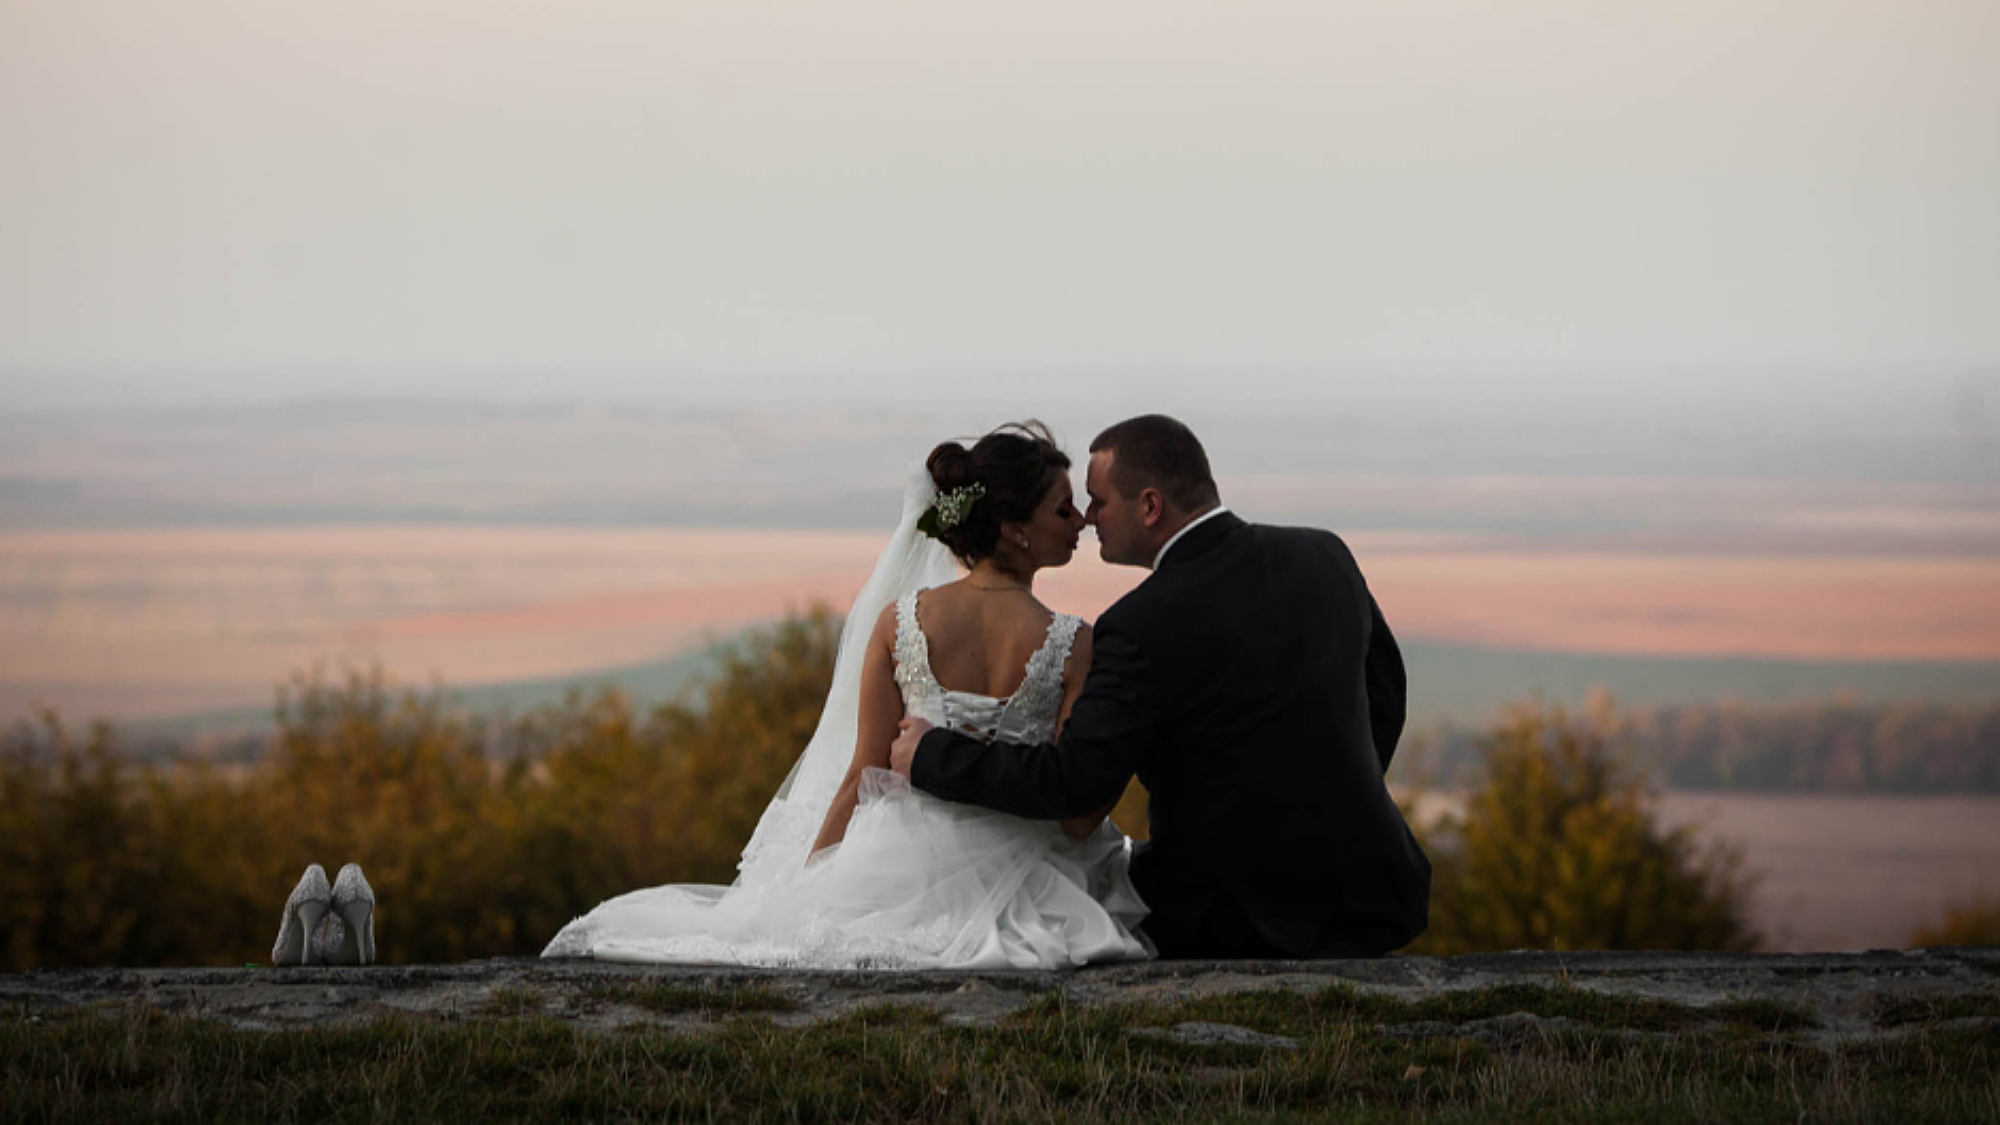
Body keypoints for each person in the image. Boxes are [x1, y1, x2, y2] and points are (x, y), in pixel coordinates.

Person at [542, 423, 1149, 968]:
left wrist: (812, 881)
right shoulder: (1074, 642)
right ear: (1016, 530)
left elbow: (864, 771)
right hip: (1033, 873)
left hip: (903, 863)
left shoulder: (901, 621)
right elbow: (1073, 815)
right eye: (1064, 510)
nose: (1082, 523)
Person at [892, 414, 1430, 959]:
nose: (1088, 519)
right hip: (1372, 892)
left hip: (1232, 917)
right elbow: (1384, 697)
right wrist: (1328, 805)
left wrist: (932, 754)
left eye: (1099, 502)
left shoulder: (1139, 624)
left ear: (1149, 507)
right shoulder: (1324, 556)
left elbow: (1073, 782)